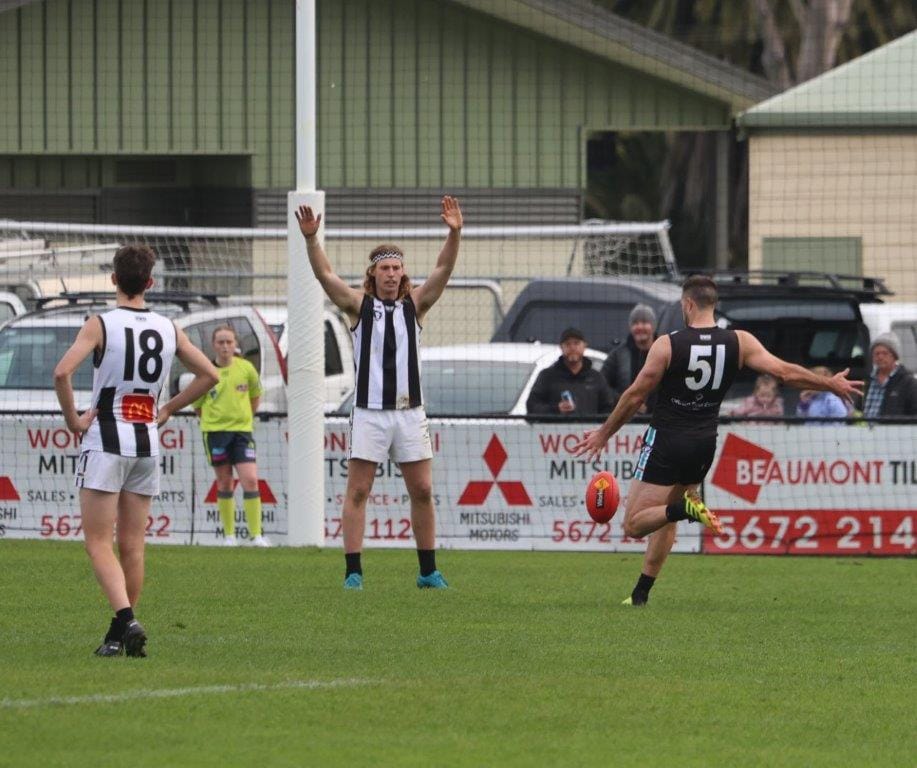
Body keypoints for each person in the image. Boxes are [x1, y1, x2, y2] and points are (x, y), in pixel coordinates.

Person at [574, 275, 862, 607]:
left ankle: (684, 509)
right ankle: (640, 594)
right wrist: (830, 385)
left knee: (635, 524)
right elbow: (785, 373)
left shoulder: (667, 344)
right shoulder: (739, 341)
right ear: (714, 304)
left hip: (667, 439)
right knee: (667, 515)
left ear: (687, 304)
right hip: (704, 443)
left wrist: (603, 434)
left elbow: (636, 394)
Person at [54, 245, 218, 656]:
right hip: (146, 442)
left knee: (97, 543)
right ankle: (119, 635)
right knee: (133, 545)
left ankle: (126, 619)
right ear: (150, 282)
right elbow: (209, 374)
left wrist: (74, 420)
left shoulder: (100, 324)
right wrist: (169, 408)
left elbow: (61, 372)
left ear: (113, 279)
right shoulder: (168, 327)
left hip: (107, 440)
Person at [295, 196, 463, 590]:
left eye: (396, 268)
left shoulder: (415, 306)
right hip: (369, 412)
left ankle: (428, 572)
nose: (391, 274)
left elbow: (443, 269)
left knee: (422, 490)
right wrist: (311, 240)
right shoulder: (359, 306)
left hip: (410, 412)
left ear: (403, 273)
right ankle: (353, 572)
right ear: (373, 273)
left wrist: (454, 233)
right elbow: (325, 275)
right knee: (358, 490)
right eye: (384, 268)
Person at [194, 325, 270, 547]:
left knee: (250, 479)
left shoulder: (246, 368)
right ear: (214, 345)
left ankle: (256, 535)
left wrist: (244, 418)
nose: (225, 346)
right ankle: (229, 536)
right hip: (216, 433)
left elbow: (255, 395)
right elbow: (197, 405)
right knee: (225, 482)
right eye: (221, 342)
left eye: (229, 342)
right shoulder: (206, 372)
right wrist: (214, 421)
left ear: (235, 344)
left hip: (241, 433)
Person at [526, 327, 616, 417]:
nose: (572, 348)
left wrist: (595, 422)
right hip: (555, 426)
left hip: (588, 426)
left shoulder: (596, 378)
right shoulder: (547, 376)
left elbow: (609, 409)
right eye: (568, 344)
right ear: (561, 347)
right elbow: (531, 406)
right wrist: (556, 409)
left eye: (576, 343)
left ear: (584, 346)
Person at [601, 303, 658, 413]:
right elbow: (602, 384)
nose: (640, 327)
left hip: (658, 417)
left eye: (644, 322)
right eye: (635, 323)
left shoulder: (665, 352)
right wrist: (626, 401)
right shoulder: (617, 355)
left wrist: (651, 406)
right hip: (625, 417)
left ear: (653, 326)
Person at [861, 332, 917, 417]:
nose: (880, 357)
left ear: (895, 356)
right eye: (876, 354)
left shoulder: (909, 383)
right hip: (864, 425)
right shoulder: (866, 381)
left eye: (885, 353)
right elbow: (858, 410)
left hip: (893, 426)